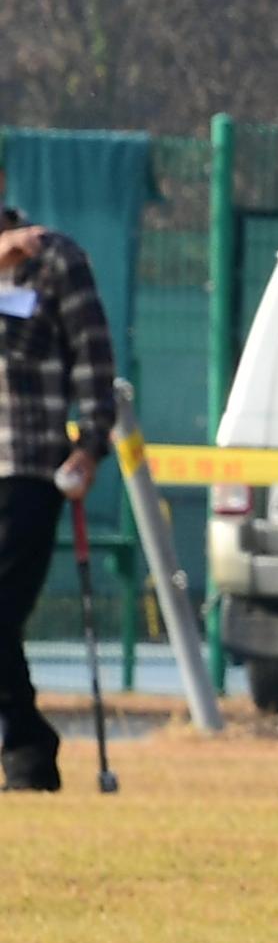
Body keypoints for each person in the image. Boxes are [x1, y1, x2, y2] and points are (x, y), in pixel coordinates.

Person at [0, 166, 119, 794]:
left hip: (26, 465)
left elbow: (94, 360)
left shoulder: (53, 260)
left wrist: (93, 444)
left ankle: (27, 750)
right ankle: (27, 751)